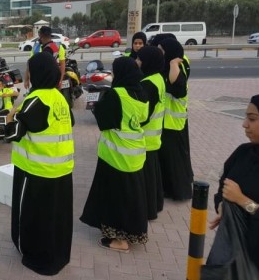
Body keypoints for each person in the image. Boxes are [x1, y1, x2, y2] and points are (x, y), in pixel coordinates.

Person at [4, 52, 74, 276]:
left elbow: (12, 133)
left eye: (29, 70)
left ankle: (37, 256)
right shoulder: (58, 96)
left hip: (36, 171)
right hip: (61, 170)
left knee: (35, 217)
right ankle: (57, 254)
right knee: (56, 217)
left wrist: (12, 113)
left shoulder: (36, 100)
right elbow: (69, 121)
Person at [80, 56, 149, 253]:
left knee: (116, 199)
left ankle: (120, 241)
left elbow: (104, 122)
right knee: (132, 198)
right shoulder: (141, 93)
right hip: (135, 155)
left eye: (115, 71)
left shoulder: (116, 94)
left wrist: (97, 105)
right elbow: (142, 119)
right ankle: (133, 234)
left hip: (115, 156)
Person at [207, 94, 259, 274]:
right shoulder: (243, 153)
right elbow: (224, 188)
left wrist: (242, 201)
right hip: (229, 252)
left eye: (252, 119)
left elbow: (238, 197)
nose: (244, 124)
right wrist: (222, 206)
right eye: (246, 117)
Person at [157, 38, 193, 200]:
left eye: (161, 50)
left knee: (174, 160)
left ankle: (178, 192)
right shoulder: (168, 67)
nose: (160, 52)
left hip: (173, 122)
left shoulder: (176, 68)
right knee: (167, 159)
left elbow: (176, 88)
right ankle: (167, 189)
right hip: (165, 121)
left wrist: (172, 64)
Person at [136, 46, 166, 220]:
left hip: (145, 138)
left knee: (146, 179)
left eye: (140, 59)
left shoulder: (148, 84)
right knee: (153, 176)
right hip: (154, 137)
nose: (137, 62)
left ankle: (147, 210)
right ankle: (155, 204)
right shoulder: (158, 78)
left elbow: (143, 114)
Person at [24, 26, 65, 91]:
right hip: (53, 80)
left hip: (40, 82)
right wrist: (60, 80)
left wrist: (26, 80)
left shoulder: (35, 48)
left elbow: (29, 64)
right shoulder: (58, 47)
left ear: (40, 35)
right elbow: (62, 65)